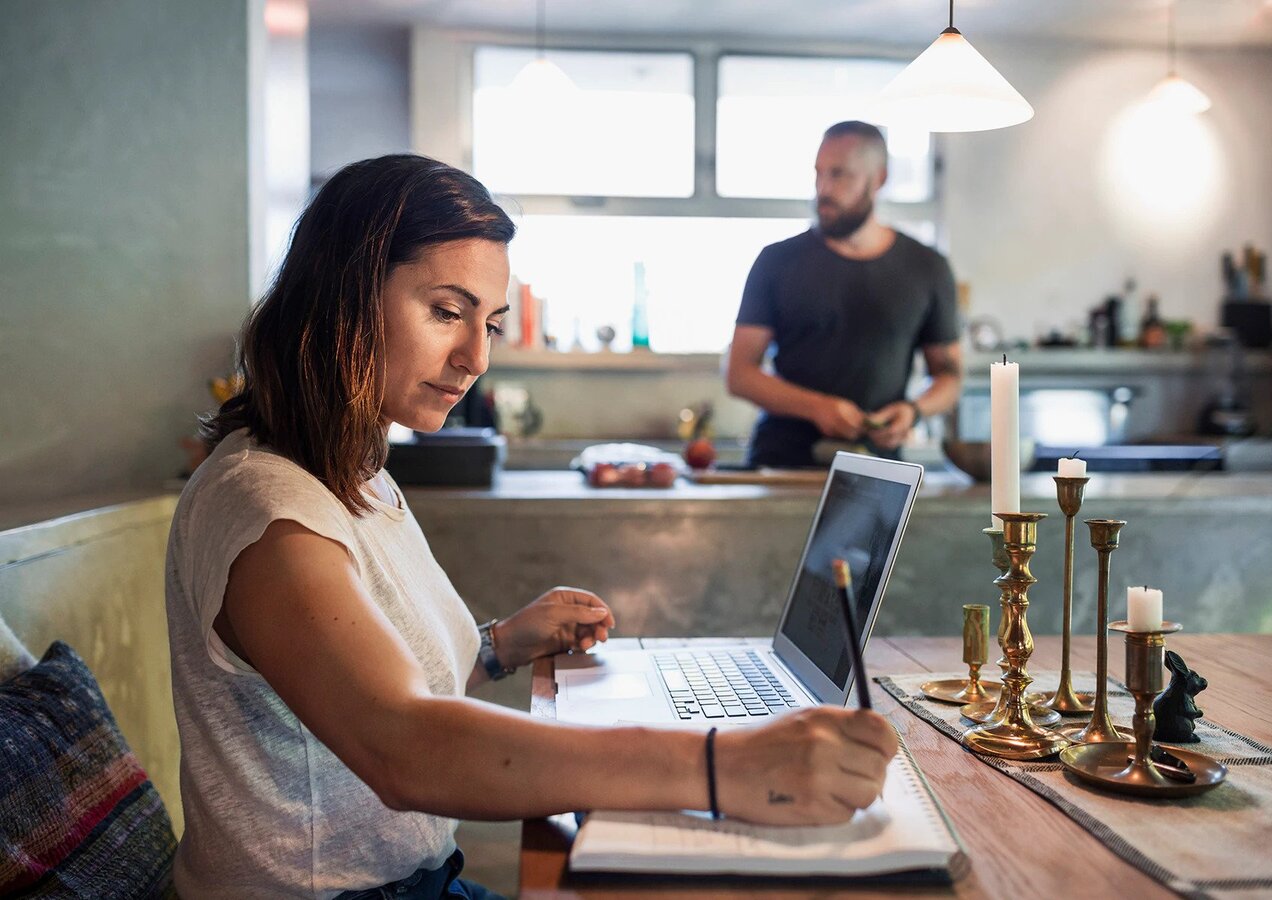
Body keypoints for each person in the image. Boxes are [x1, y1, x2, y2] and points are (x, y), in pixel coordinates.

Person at [166, 154, 898, 898]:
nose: (476, 357)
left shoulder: (352, 473)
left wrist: (500, 643)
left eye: (489, 322)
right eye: (447, 312)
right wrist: (724, 765)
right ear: (342, 298)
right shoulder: (266, 506)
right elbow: (402, 745)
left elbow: (353, 676)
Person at [726, 120, 963, 468]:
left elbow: (949, 375)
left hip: (879, 469)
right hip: (781, 466)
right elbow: (739, 373)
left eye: (840, 175)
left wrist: (914, 411)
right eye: (819, 173)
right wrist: (817, 407)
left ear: (878, 179)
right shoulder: (776, 261)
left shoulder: (927, 267)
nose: (823, 188)